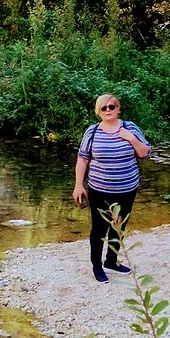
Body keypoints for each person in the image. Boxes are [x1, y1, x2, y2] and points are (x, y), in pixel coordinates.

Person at [71, 93, 148, 283]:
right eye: (103, 108)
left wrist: (130, 138)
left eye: (111, 107)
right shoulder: (93, 132)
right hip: (99, 189)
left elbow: (145, 153)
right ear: (98, 111)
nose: (108, 111)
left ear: (118, 108)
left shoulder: (130, 128)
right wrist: (78, 185)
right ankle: (97, 266)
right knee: (99, 228)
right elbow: (83, 159)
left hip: (127, 188)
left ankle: (111, 261)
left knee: (119, 226)